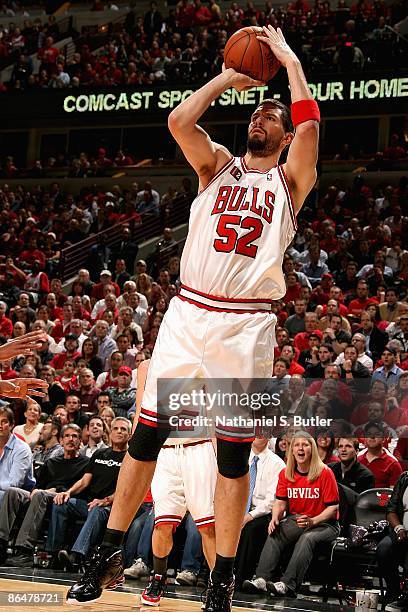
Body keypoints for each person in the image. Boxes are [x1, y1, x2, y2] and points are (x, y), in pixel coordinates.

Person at [67, 25, 320, 611]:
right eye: (257, 113)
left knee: (232, 455)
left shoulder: (290, 181)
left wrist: (287, 60)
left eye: (272, 116)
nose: (262, 118)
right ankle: (105, 552)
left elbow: (310, 126)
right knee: (146, 434)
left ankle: (222, 579)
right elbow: (181, 122)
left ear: (283, 137)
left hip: (246, 325)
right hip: (188, 313)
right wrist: (233, 75)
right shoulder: (219, 167)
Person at [243, 432, 339, 598]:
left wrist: (313, 521)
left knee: (308, 538)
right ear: (292, 450)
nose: (300, 448)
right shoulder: (286, 473)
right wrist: (275, 517)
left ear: (312, 449)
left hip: (326, 524)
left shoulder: (325, 472)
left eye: (305, 444)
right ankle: (261, 580)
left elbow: (333, 508)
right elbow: (280, 502)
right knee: (276, 530)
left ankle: (287, 585)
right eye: (296, 445)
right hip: (298, 519)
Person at [0, 423, 89, 567]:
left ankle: (24, 550)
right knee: (13, 492)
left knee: (40, 495)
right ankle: (1, 543)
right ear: (61, 441)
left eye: (75, 436)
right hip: (42, 496)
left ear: (80, 441)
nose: (70, 439)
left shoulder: (85, 463)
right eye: (67, 436)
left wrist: (53, 490)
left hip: (65, 498)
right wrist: (37, 490)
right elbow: (38, 486)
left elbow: (81, 489)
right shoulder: (51, 462)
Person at [234, 437, 285, 589]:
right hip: (238, 508)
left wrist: (249, 516)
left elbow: (271, 501)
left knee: (251, 528)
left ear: (270, 436)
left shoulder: (277, 463)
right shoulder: (239, 457)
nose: (259, 434)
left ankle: (241, 578)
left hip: (263, 513)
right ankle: (213, 574)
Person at [377, 471, 408, 609]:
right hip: (402, 530)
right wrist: (399, 528)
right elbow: (391, 509)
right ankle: (394, 590)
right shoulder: (404, 478)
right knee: (384, 548)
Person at [357, 421, 402, 488]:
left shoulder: (393, 464)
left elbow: (395, 494)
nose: (372, 437)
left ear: (384, 439)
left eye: (377, 434)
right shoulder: (357, 460)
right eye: (369, 434)